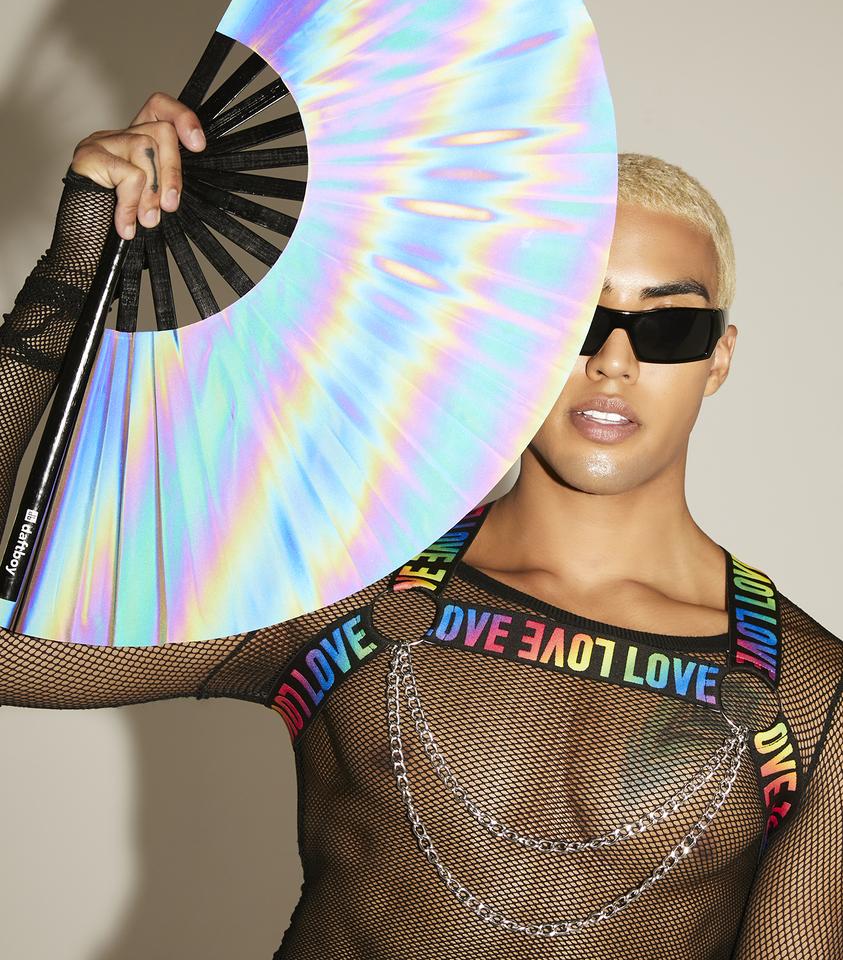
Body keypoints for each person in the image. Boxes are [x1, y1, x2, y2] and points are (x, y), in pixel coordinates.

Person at [1, 92, 841, 959]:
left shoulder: (813, 700)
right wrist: (71, 276)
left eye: (670, 326)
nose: (615, 360)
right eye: (576, 314)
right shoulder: (347, 585)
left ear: (718, 359)